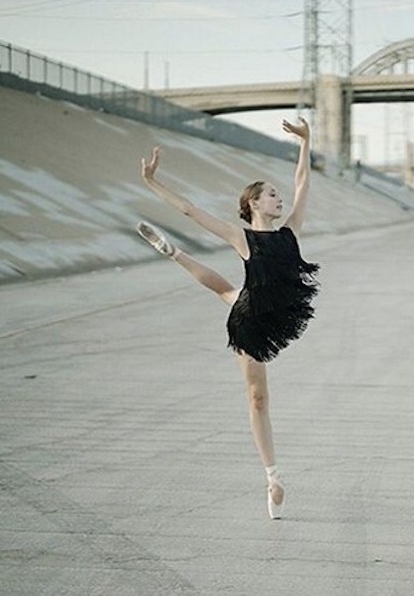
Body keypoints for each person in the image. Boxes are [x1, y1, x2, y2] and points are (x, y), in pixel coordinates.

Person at [136, 117, 317, 520]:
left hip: (274, 309)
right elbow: (189, 209)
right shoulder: (242, 236)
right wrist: (152, 182)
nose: (279, 198)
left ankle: (176, 256)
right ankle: (272, 477)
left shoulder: (291, 232)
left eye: (277, 194)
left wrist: (307, 141)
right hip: (253, 320)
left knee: (227, 292)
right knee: (258, 397)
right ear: (253, 203)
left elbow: (303, 180)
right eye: (271, 194)